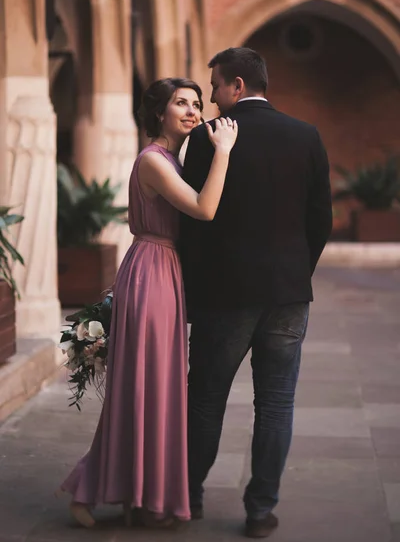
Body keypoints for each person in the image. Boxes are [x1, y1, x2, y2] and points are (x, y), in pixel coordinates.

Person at [57, 77, 238, 529]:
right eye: (181, 103)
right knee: (143, 389)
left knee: (156, 389)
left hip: (163, 271)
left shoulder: (169, 160)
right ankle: (93, 488)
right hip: (152, 270)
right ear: (159, 113)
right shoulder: (154, 161)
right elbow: (204, 208)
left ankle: (139, 494)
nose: (194, 111)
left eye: (197, 104)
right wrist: (224, 152)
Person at [180, 47, 333, 538]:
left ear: (238, 86)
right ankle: (260, 510)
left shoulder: (209, 139)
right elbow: (321, 219)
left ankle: (190, 496)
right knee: (276, 404)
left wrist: (193, 286)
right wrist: (295, 272)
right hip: (288, 294)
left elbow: (192, 222)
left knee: (205, 399)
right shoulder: (306, 135)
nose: (212, 99)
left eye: (216, 88)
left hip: (224, 293)